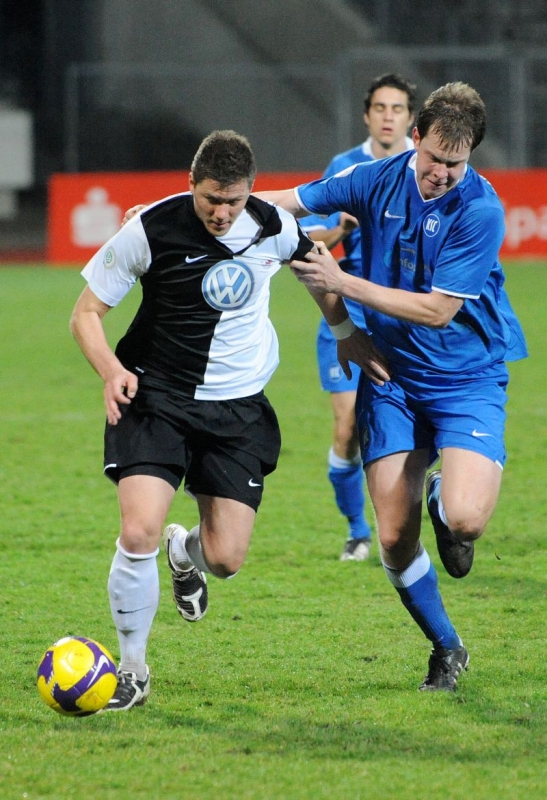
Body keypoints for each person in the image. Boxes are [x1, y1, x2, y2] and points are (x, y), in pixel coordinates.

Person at [70, 130, 383, 711]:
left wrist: (346, 333)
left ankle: (184, 552)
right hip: (155, 396)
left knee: (225, 558)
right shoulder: (150, 229)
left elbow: (315, 269)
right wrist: (111, 370)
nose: (221, 212)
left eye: (233, 201)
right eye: (211, 199)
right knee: (137, 532)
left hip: (237, 408)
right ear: (191, 185)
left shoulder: (272, 225)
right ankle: (132, 670)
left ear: (250, 192)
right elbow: (86, 312)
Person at [258, 82, 528, 691]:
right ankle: (447, 646)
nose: (441, 174)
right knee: (394, 537)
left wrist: (342, 285)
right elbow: (283, 203)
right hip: (392, 377)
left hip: (466, 379)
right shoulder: (370, 179)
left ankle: (442, 499)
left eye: (456, 163)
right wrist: (175, 210)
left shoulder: (480, 209)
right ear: (415, 138)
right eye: (433, 158)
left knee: (465, 521)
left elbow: (437, 311)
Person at [302, 73, 417, 562]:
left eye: (398, 108)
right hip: (348, 313)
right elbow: (308, 241)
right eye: (380, 108)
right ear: (367, 116)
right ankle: (357, 530)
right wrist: (341, 230)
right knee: (348, 428)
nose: (388, 117)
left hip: (404, 315)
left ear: (411, 119)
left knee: (420, 423)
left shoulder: (424, 169)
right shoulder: (344, 167)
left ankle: (423, 512)